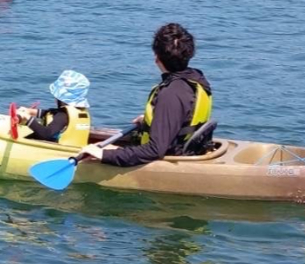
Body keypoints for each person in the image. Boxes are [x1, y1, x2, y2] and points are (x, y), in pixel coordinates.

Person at [77, 23, 212, 167]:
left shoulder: (171, 94)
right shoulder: (195, 79)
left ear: (157, 58)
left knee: (102, 150)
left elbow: (154, 150)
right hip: (186, 148)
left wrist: (104, 155)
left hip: (171, 157)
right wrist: (152, 120)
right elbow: (184, 116)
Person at [16, 70, 92, 147]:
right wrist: (29, 111)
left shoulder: (62, 116)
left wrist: (28, 118)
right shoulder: (78, 112)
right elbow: (50, 113)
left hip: (57, 151)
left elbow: (46, 134)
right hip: (76, 149)